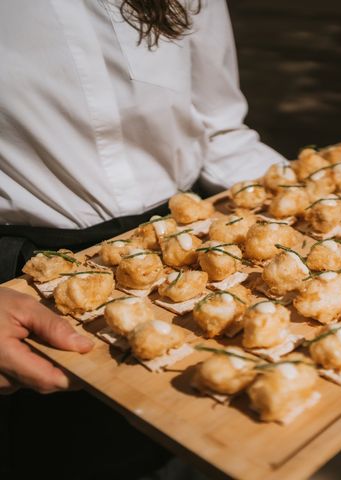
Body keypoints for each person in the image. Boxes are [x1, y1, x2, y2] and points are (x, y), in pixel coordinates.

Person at [0, 1, 283, 477]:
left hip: (192, 238)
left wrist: (312, 193)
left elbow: (220, 132)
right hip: (21, 275)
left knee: (212, 443)